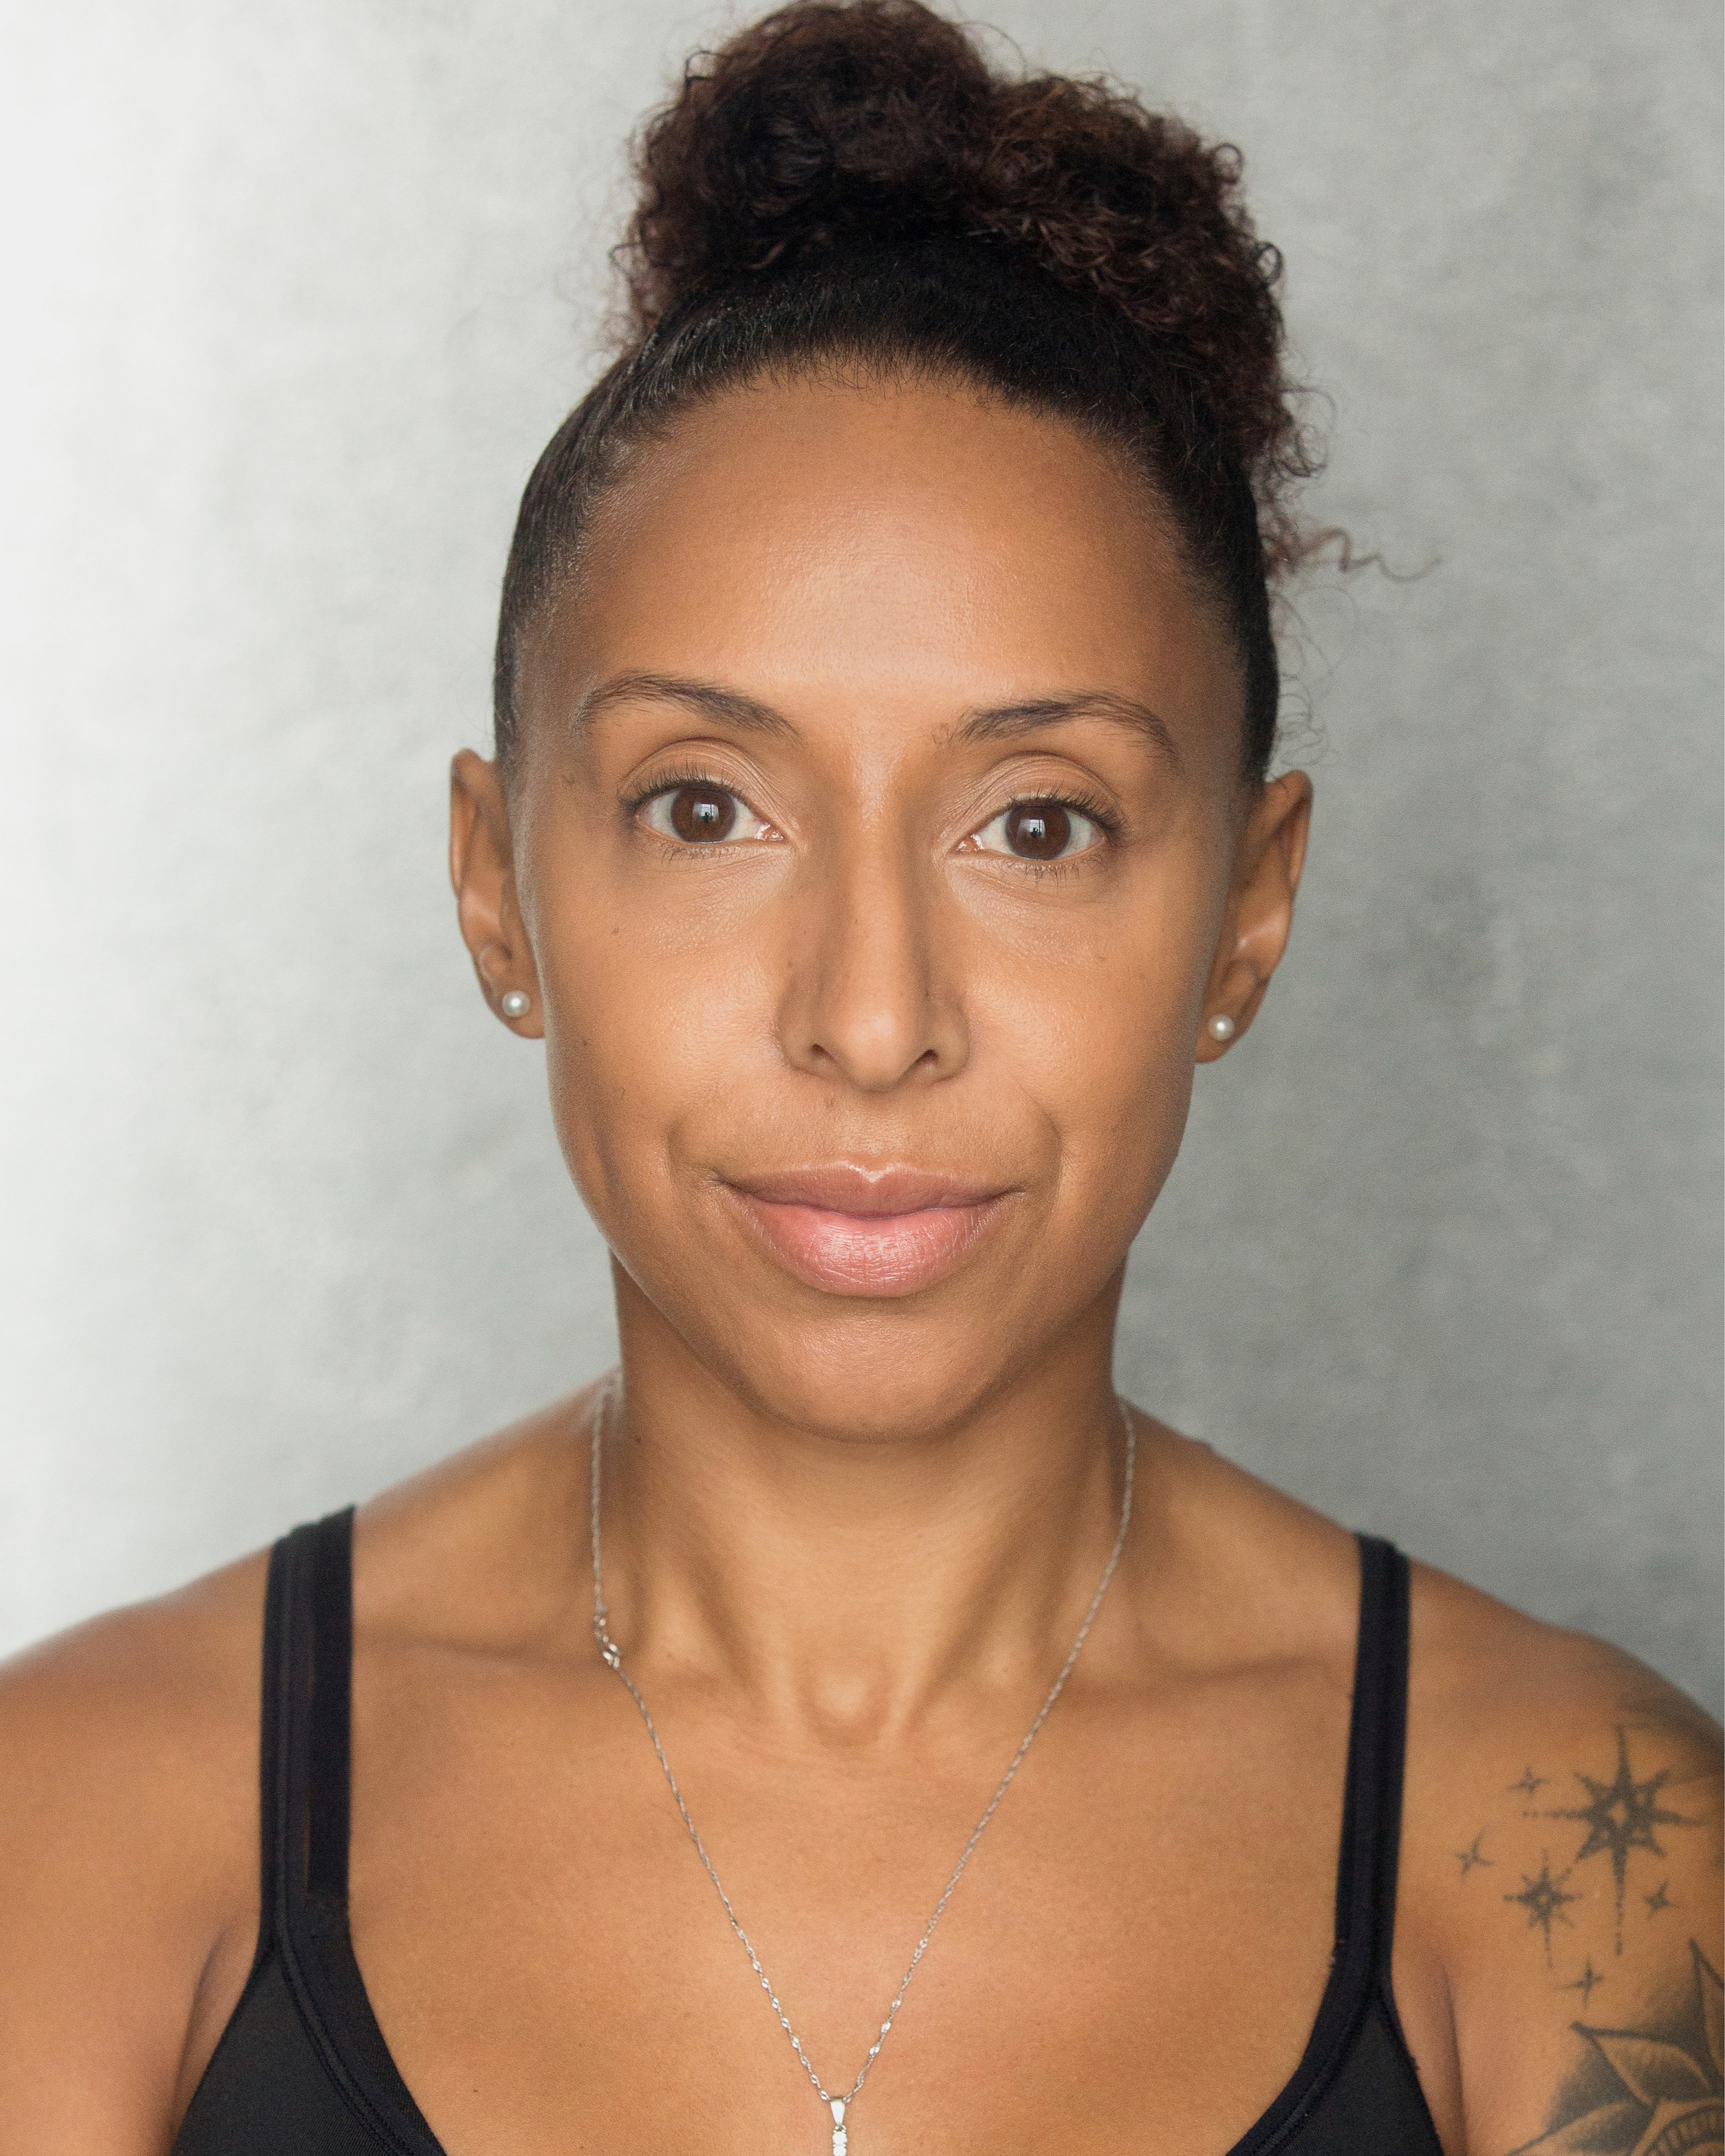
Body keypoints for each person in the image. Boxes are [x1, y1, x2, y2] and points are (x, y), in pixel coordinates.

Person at [1, 3, 1718, 2151]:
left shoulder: (1580, 1852)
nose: (874, 1014)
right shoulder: (76, 1825)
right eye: (705, 806)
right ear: (496, 887)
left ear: (1246, 911)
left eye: (1037, 823)